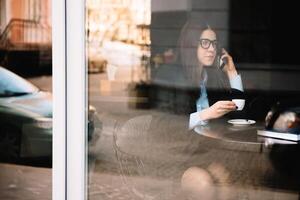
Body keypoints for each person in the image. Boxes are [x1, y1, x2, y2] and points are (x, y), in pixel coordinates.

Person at [179, 22, 244, 130]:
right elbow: (168, 124)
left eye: (214, 44)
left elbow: (238, 106)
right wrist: (207, 114)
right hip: (186, 145)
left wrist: (231, 71)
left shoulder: (210, 77)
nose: (212, 49)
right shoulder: (176, 77)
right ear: (191, 45)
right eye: (205, 42)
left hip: (209, 141)